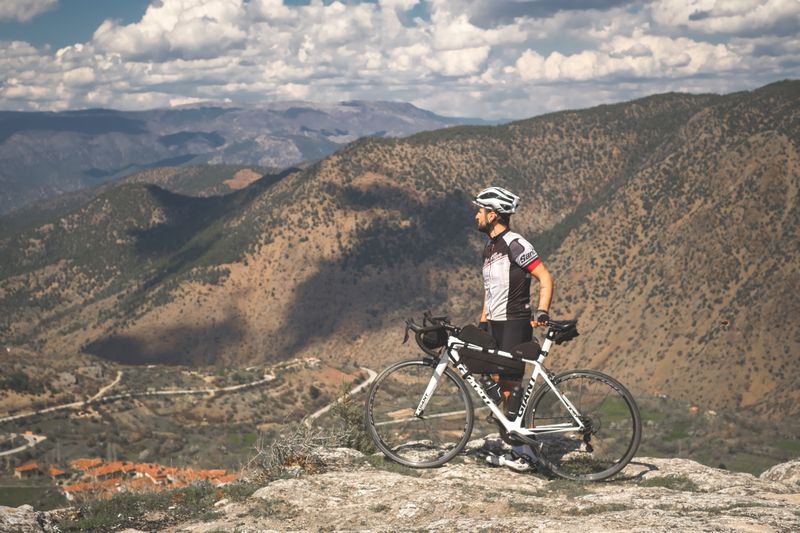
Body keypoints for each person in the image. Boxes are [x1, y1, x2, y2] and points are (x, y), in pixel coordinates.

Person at [473, 186, 553, 472]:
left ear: (492, 215)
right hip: (494, 323)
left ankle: (526, 454)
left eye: (480, 211)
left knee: (510, 388)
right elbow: (489, 290)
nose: (476, 216)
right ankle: (518, 445)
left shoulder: (515, 244)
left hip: (514, 323)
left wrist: (542, 311)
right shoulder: (490, 247)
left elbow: (545, 277)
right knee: (491, 384)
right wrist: (482, 321)